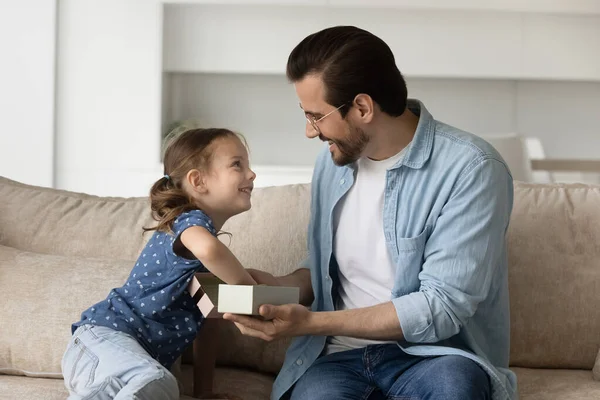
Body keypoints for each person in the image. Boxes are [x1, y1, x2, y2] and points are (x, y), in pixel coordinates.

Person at [223, 26, 518, 400]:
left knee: (454, 389)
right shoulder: (332, 164)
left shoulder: (472, 169)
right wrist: (282, 287)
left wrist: (311, 322)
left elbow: (440, 307)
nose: (310, 132)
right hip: (337, 359)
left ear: (362, 107)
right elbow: (327, 266)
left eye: (317, 116)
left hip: (432, 357)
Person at [62, 128, 257, 399]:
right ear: (198, 181)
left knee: (156, 385)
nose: (251, 174)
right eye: (238, 164)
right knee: (159, 382)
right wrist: (250, 289)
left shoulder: (198, 252)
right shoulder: (188, 220)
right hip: (104, 343)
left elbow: (209, 323)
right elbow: (209, 248)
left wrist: (204, 392)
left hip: (112, 364)